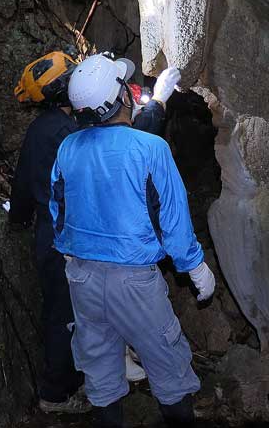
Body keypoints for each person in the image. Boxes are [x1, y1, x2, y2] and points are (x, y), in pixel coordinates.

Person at [9, 50, 180, 414]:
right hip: (73, 239)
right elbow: (123, 151)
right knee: (67, 316)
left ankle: (101, 374)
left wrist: (17, 219)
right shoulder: (72, 135)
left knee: (73, 313)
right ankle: (57, 393)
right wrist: (159, 104)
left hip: (52, 233)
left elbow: (22, 185)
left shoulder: (42, 128)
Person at [49, 54, 216, 427]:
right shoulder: (150, 149)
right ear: (122, 97)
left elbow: (57, 209)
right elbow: (173, 217)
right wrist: (195, 265)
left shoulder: (68, 148)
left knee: (101, 371)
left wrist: (67, 252)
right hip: (134, 282)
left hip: (82, 278)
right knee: (168, 366)